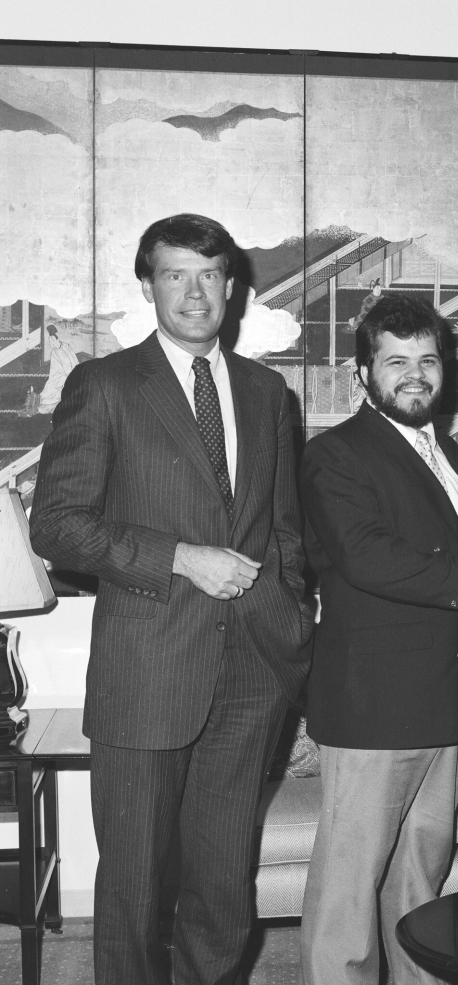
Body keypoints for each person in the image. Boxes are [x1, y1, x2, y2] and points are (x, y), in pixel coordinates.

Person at [30, 213, 314, 984]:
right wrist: (180, 557)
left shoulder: (265, 392)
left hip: (251, 673)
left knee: (224, 891)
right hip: (147, 671)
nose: (194, 291)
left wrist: (291, 622)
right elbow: (55, 523)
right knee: (132, 893)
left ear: (233, 286)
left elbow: (286, 531)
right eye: (174, 273)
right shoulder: (107, 384)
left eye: (209, 274)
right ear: (148, 285)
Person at [298, 294, 458, 985]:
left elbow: (447, 550)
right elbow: (365, 556)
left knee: (419, 883)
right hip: (375, 705)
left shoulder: (448, 454)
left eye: (428, 360)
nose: (415, 374)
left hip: (449, 698)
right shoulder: (335, 454)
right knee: (348, 891)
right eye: (396, 360)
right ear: (362, 375)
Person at [37, 325, 79, 414]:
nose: (51, 342)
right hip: (58, 376)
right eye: (49, 341)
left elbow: (73, 361)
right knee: (50, 387)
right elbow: (54, 369)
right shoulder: (54, 352)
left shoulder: (66, 346)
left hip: (69, 375)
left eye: (52, 340)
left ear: (57, 339)